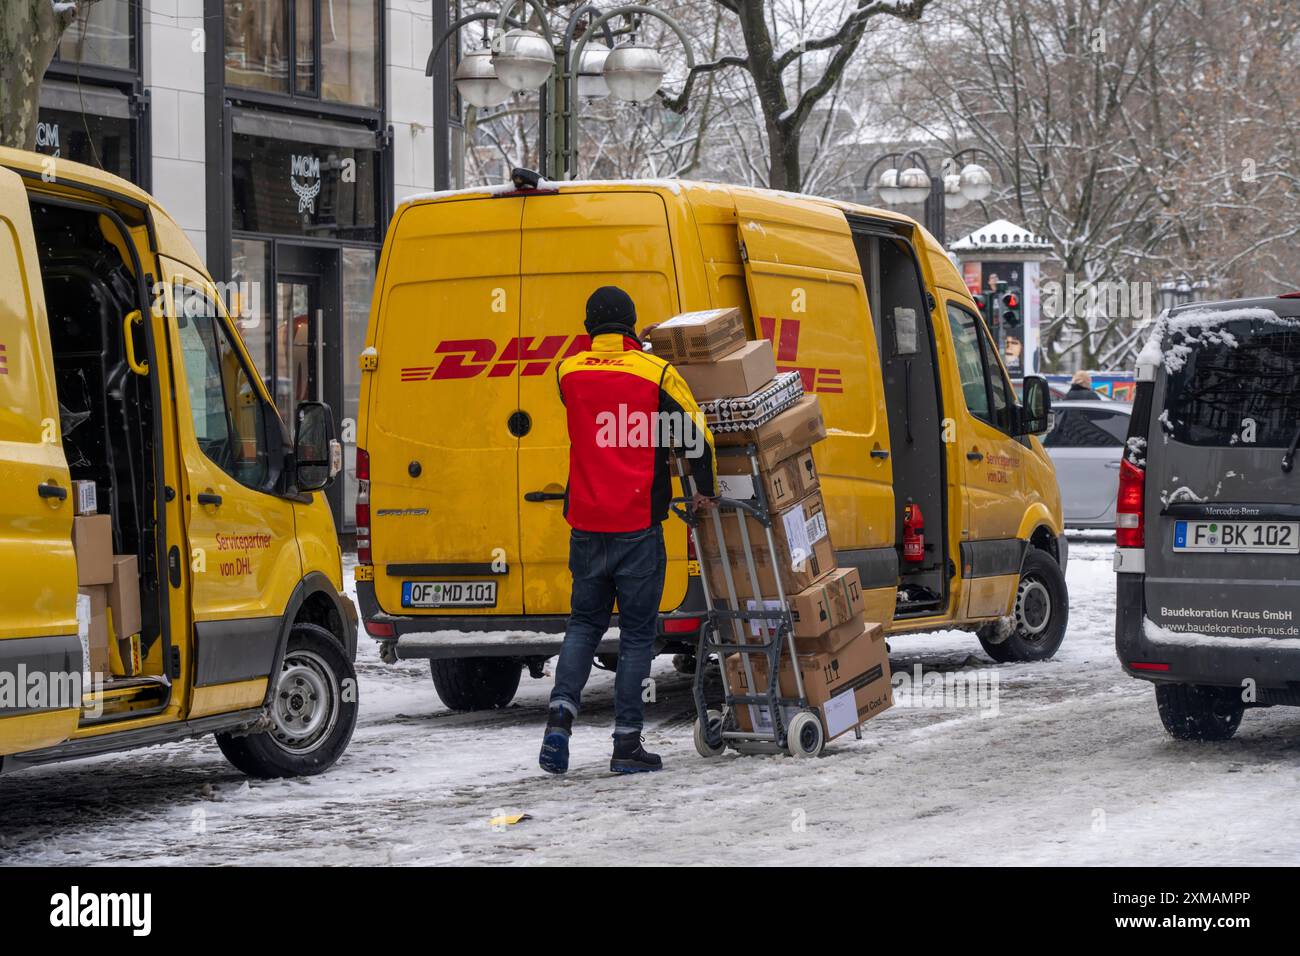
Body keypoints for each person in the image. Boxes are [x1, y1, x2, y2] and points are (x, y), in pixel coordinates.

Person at [540, 287, 718, 775]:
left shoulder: (568, 370)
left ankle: (559, 722)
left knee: (583, 625)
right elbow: (696, 436)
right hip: (637, 524)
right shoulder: (655, 372)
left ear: (589, 326)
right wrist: (702, 488)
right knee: (637, 636)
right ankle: (626, 746)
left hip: (586, 523)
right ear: (631, 326)